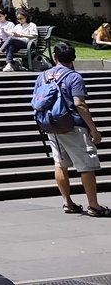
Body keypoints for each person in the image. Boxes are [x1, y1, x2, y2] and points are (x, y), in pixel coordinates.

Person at [34, 43, 107, 217]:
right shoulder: (74, 77)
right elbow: (79, 104)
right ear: (73, 58)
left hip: (52, 125)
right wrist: (93, 129)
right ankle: (94, 205)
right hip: (73, 126)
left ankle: (68, 202)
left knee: (60, 164)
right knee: (86, 166)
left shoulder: (43, 76)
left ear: (55, 58)